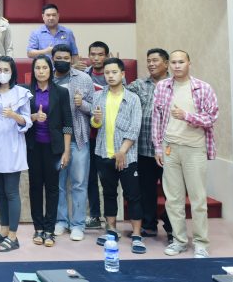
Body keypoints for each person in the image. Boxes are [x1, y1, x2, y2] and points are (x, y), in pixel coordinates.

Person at [153, 50, 218, 259]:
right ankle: (179, 241)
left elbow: (211, 117)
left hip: (194, 149)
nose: (177, 65)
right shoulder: (162, 86)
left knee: (198, 199)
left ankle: (201, 243)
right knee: (173, 200)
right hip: (170, 148)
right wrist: (158, 147)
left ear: (189, 63)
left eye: (181, 62)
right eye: (173, 62)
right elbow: (156, 118)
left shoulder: (202, 88)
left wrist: (187, 116)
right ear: (169, 65)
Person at [91, 58, 146, 255]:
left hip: (127, 156)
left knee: (133, 195)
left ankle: (137, 235)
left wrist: (122, 151)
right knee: (109, 193)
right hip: (103, 153)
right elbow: (95, 124)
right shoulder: (98, 96)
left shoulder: (132, 98)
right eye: (107, 73)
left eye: (114, 72)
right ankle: (111, 230)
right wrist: (95, 120)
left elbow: (135, 127)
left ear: (123, 74)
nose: (110, 76)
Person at [0, 56, 32, 252]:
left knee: (11, 192)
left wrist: (14, 115)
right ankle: (3, 231)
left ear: (13, 72)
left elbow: (27, 121)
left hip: (12, 146)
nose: (2, 73)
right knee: (0, 193)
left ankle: (13, 235)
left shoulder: (21, 93)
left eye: (6, 70)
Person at [127, 48, 173, 243]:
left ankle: (172, 228)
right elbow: (121, 93)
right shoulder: (139, 84)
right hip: (144, 148)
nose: (151, 64)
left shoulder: (175, 84)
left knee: (172, 190)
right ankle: (149, 225)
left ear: (166, 63)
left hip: (170, 149)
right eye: (149, 61)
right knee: (146, 189)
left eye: (155, 60)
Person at [25, 56, 72, 248]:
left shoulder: (61, 92)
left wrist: (66, 151)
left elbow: (67, 124)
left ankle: (49, 229)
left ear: (50, 70)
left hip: (54, 148)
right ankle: (38, 228)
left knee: (53, 189)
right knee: (35, 187)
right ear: (33, 70)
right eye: (37, 68)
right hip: (33, 147)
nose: (41, 71)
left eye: (44, 67)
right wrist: (34, 116)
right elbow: (21, 118)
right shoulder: (26, 92)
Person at [51, 44, 95, 241]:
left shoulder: (84, 79)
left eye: (66, 58)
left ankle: (78, 224)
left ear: (72, 60)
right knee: (58, 184)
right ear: (53, 59)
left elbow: (95, 108)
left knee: (78, 183)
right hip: (55, 142)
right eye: (58, 58)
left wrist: (82, 104)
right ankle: (61, 221)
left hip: (78, 139)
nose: (62, 61)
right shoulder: (48, 79)